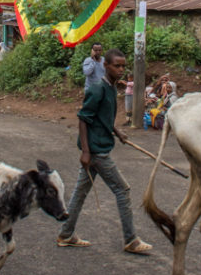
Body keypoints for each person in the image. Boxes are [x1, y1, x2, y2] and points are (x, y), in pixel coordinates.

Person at [56, 48, 153, 256]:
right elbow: (84, 119)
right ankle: (131, 240)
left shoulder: (111, 88)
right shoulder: (98, 89)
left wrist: (117, 132)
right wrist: (86, 152)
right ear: (105, 66)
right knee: (123, 190)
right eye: (116, 65)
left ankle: (65, 234)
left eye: (122, 66)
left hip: (99, 146)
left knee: (80, 193)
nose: (120, 69)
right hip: (96, 152)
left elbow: (103, 118)